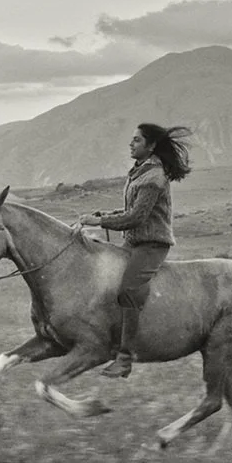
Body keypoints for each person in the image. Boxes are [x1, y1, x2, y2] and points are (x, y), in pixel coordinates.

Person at [79, 123, 191, 378]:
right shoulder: (138, 172)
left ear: (151, 146)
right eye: (132, 139)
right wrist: (104, 215)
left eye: (137, 140)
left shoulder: (154, 178)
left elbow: (137, 218)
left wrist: (100, 222)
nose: (131, 144)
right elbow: (130, 211)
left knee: (129, 289)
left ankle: (125, 358)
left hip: (152, 244)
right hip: (133, 243)